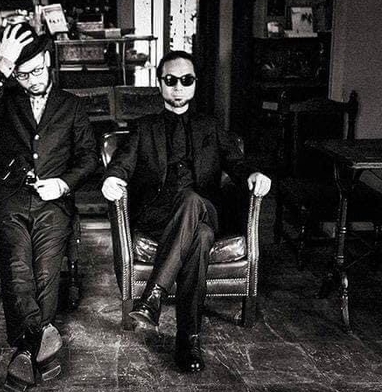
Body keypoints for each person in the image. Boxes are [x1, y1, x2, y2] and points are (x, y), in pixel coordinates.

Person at [101, 50, 271, 373]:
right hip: (159, 216)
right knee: (201, 238)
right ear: (159, 84)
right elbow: (122, 163)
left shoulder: (210, 125)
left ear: (194, 84)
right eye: (170, 80)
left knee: (193, 201)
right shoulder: (144, 127)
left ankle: (154, 295)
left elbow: (236, 162)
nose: (178, 87)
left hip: (205, 208)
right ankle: (188, 339)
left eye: (186, 80)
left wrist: (254, 174)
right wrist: (112, 179)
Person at [0, 23, 97, 392]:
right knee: (16, 265)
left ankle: (25, 350)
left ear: (49, 61)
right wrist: (3, 64)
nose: (33, 80)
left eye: (38, 71)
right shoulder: (7, 98)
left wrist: (64, 183)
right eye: (23, 74)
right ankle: (42, 337)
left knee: (44, 269)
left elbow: (89, 158)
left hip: (54, 200)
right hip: (9, 197)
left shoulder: (72, 105)